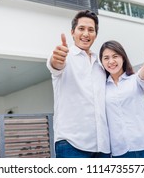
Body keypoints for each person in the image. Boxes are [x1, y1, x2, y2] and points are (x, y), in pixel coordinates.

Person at [46, 10, 110, 158]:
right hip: (71, 145)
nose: (86, 34)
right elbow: (55, 65)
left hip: (103, 146)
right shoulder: (65, 57)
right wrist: (57, 60)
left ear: (95, 35)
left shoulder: (100, 65)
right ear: (72, 32)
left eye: (91, 30)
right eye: (81, 29)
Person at [99, 40, 144, 158]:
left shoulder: (134, 80)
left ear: (123, 58)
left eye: (115, 56)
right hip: (121, 153)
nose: (111, 61)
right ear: (102, 62)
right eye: (106, 58)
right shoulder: (101, 88)